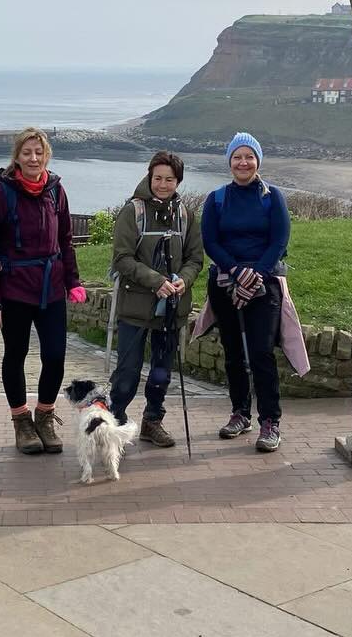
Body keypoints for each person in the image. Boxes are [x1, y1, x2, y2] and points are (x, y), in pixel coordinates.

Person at [0, 128, 86, 455]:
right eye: (27, 153)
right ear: (17, 157)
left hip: (51, 288)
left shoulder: (56, 190)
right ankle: (21, 421)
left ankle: (45, 415)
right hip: (14, 289)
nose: (33, 158)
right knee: (16, 354)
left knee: (54, 356)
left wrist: (74, 281)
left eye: (39, 152)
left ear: (47, 155)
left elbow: (65, 240)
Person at [200, 131, 290, 451]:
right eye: (237, 157)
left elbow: (279, 241)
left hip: (264, 285)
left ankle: (270, 420)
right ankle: (240, 413)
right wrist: (236, 270)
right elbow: (211, 241)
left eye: (249, 156)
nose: (243, 162)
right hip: (225, 282)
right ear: (229, 162)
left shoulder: (272, 196)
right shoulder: (217, 199)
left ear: (258, 161)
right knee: (233, 352)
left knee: (262, 352)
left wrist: (257, 273)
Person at [107, 151, 204, 446]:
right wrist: (156, 281)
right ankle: (116, 423)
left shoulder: (185, 215)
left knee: (161, 372)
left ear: (178, 181)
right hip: (135, 307)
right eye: (157, 178)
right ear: (149, 177)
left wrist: (183, 281)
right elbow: (122, 259)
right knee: (127, 372)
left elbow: (195, 258)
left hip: (171, 309)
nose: (162, 184)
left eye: (169, 179)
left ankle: (152, 421)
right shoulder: (132, 212)